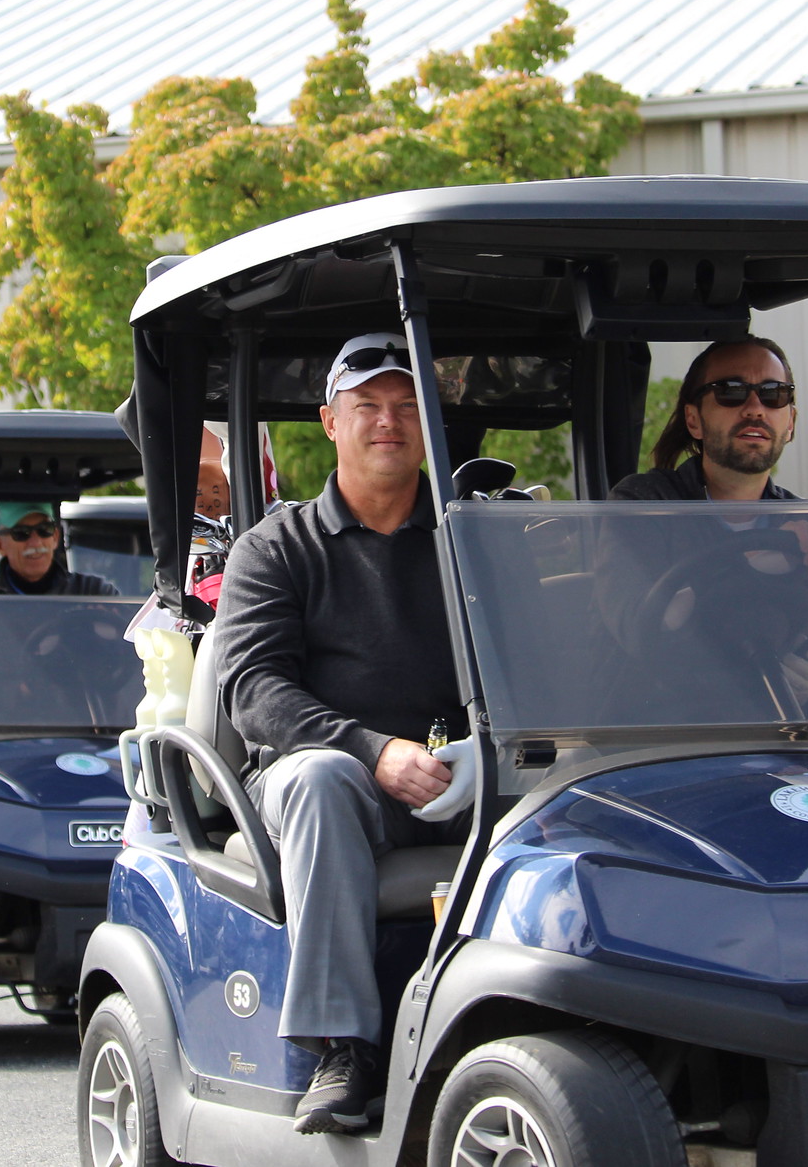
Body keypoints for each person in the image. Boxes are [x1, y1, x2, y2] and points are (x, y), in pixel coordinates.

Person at [213, 333, 468, 1135]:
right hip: (319, 779)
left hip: (456, 771)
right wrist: (374, 751)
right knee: (322, 780)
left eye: (404, 406)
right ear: (330, 421)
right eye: (367, 407)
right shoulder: (275, 549)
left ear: (425, 422)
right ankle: (344, 1045)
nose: (387, 422)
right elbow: (252, 690)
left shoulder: (471, 542)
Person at [608, 334, 808, 719]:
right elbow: (642, 623)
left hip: (779, 751)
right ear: (693, 419)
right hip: (654, 751)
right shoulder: (645, 505)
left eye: (774, 394)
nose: (755, 408)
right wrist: (763, 557)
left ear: (790, 423)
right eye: (731, 392)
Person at [0, 502, 120, 596]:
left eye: (45, 530)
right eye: (21, 533)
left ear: (56, 537)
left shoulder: (94, 592)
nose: (36, 543)